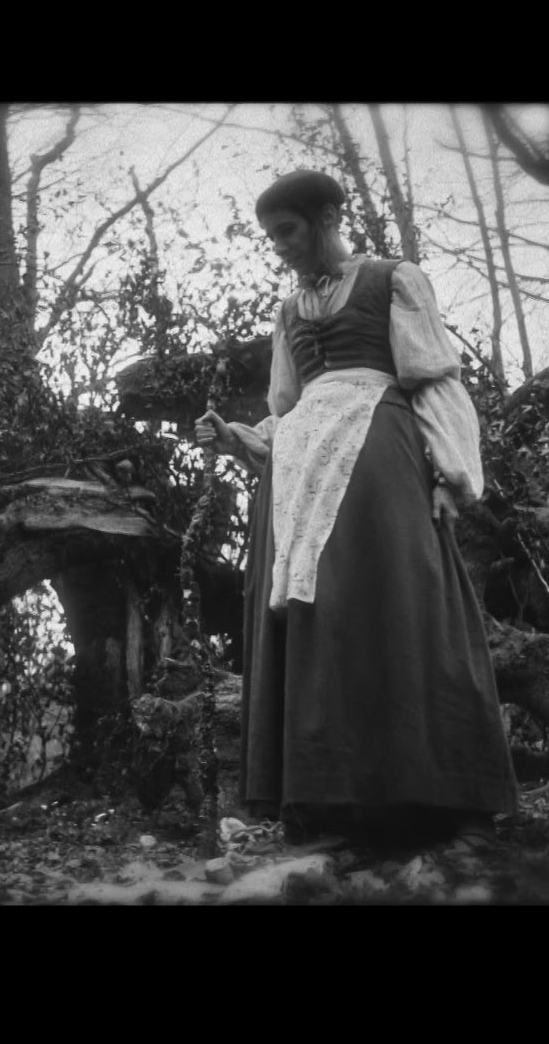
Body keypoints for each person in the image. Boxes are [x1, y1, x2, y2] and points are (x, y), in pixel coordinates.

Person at [195, 170, 518, 855]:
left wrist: (451, 475)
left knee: (404, 602)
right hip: (298, 477)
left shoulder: (392, 280)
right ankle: (335, 804)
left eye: (287, 230)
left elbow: (434, 381)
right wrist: (239, 440)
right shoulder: (289, 312)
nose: (279, 246)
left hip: (379, 455)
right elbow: (290, 410)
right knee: (319, 620)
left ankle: (448, 801)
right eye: (271, 236)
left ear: (327, 218)